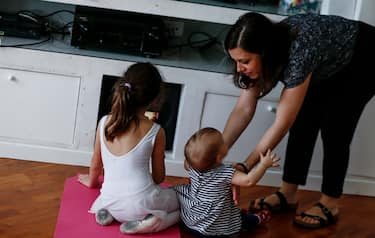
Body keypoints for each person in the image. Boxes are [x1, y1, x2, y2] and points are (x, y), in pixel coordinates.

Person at [223, 12, 375, 229]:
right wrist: (216, 152)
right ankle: (288, 193)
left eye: (244, 61)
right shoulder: (264, 51)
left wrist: (246, 166)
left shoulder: (299, 54)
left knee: (335, 129)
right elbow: (244, 109)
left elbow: (282, 122)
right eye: (236, 61)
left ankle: (329, 203)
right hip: (325, 58)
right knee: (303, 123)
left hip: (364, 55)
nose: (239, 68)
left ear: (264, 54)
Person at [78, 62, 180, 234]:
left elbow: (96, 164)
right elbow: (158, 178)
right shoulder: (157, 131)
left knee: (112, 196)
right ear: (155, 98)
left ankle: (107, 213)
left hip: (110, 200)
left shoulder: (104, 122)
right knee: (179, 204)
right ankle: (152, 222)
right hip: (141, 205)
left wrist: (91, 181)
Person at [174, 127, 279, 237]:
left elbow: (188, 161)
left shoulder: (191, 165)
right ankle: (257, 219)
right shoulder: (226, 172)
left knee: (183, 191)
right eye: (223, 143)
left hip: (192, 223)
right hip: (216, 230)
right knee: (239, 219)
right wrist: (263, 165)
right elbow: (249, 180)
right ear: (219, 158)